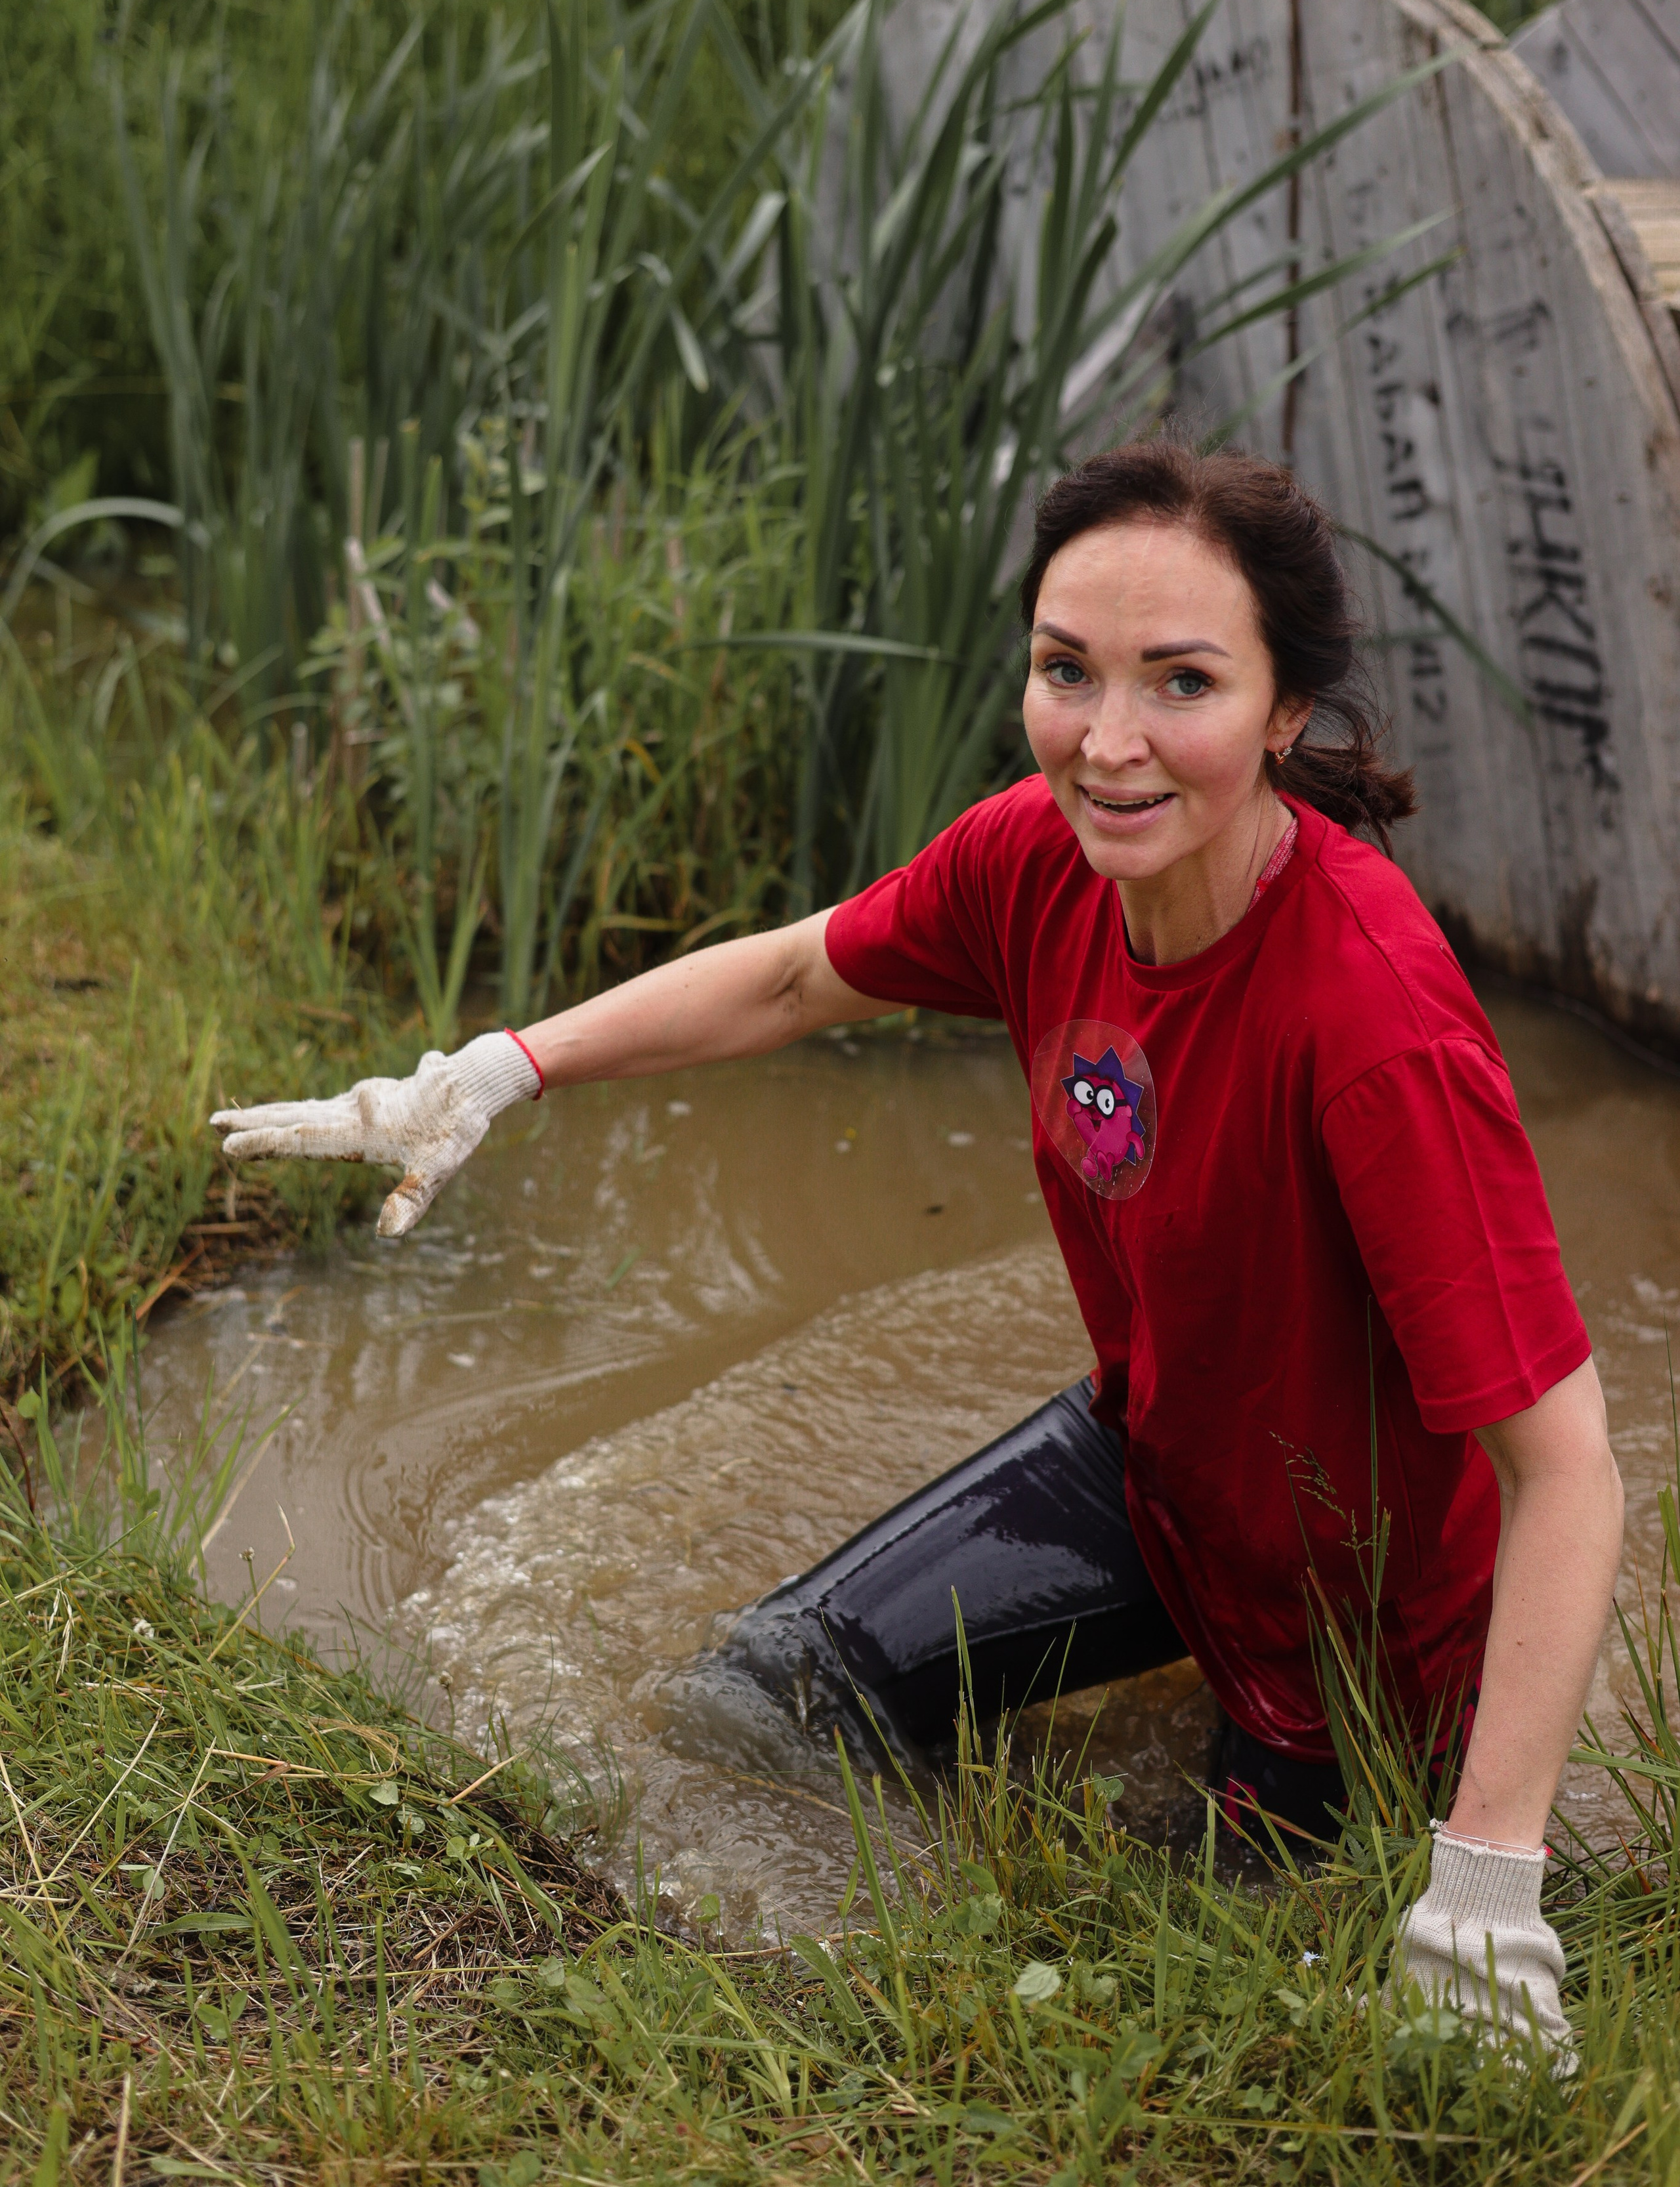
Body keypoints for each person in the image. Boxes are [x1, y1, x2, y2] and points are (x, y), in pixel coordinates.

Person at [213, 438, 1624, 2060]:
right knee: (750, 1704)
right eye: (1063, 672)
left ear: (1284, 711)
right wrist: (497, 1071)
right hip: (1155, 1473)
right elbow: (797, 979)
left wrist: (1487, 1872)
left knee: (1181, 1968)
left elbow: (1565, 1467)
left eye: (1180, 684)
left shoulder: (1368, 1023)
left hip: (1355, 1617)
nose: (1106, 745)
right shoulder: (1039, 858)